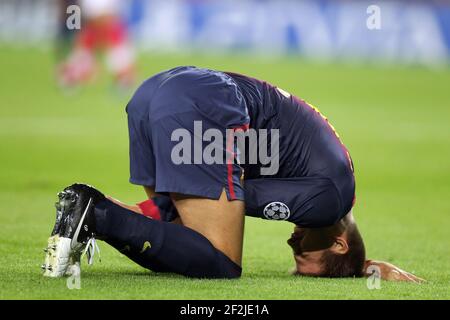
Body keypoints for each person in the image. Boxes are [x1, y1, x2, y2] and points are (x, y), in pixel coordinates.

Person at [43, 66, 423, 282]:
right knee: (221, 263)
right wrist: (360, 270)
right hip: (205, 104)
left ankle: (85, 210)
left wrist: (365, 267)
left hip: (158, 91)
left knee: (181, 225)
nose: (291, 243)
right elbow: (226, 198)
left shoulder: (335, 182)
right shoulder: (327, 204)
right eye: (303, 253)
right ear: (340, 244)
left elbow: (179, 208)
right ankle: (95, 214)